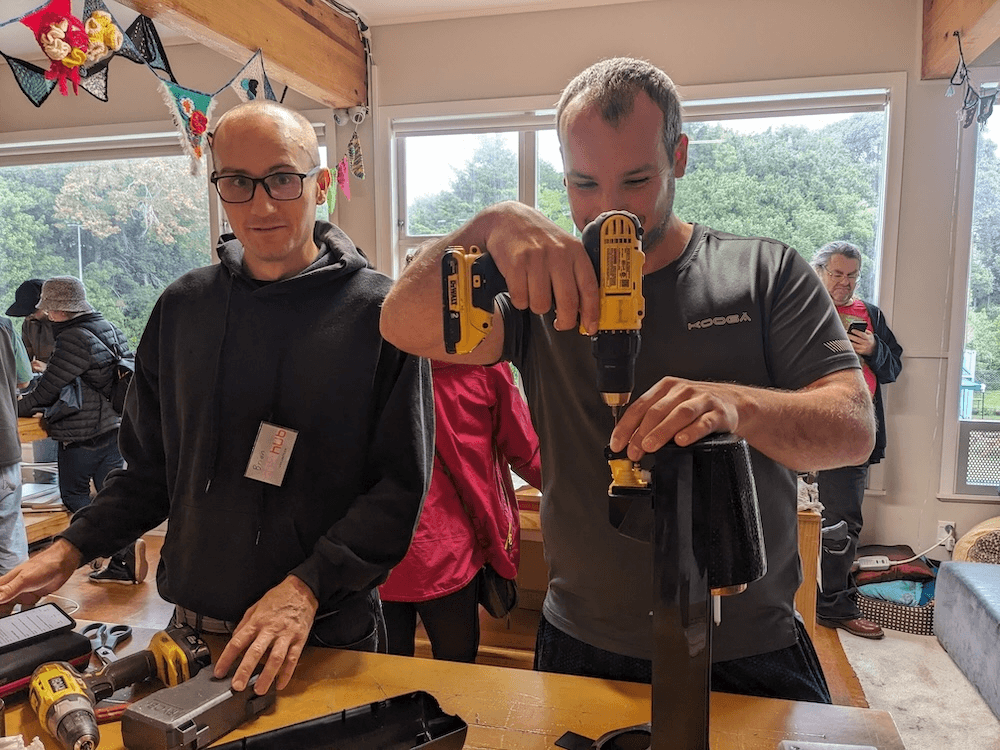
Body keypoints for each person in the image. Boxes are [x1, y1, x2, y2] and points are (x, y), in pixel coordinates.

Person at [380, 57, 876, 703]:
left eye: (637, 180)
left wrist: (732, 404)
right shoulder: (541, 290)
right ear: (564, 175)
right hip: (586, 643)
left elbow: (853, 429)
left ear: (680, 155)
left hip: (747, 643)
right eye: (585, 185)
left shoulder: (764, 273)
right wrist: (489, 225)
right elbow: (400, 324)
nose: (609, 209)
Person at [0, 99, 432, 697]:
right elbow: (150, 473)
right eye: (237, 182)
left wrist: (307, 586)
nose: (261, 205)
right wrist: (73, 548)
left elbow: (398, 491)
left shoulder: (381, 316)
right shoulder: (183, 309)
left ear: (322, 185)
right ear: (218, 187)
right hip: (192, 635)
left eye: (283, 178)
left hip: (321, 634)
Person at [380, 359, 541, 662]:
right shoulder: (486, 365)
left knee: (385, 680)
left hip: (380, 549)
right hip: (450, 554)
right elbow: (526, 454)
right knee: (457, 674)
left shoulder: (369, 360)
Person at [13, 276, 148, 585]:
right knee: (111, 497)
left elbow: (46, 392)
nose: (46, 315)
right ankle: (123, 561)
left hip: (81, 433)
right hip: (115, 426)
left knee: (74, 494)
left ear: (58, 310)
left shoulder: (73, 338)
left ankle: (108, 547)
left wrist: (13, 406)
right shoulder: (109, 327)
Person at [810, 241, 903, 640]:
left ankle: (835, 608)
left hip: (852, 435)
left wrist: (875, 349)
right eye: (836, 274)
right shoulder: (799, 306)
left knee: (842, 526)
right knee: (780, 518)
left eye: (851, 276)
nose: (844, 283)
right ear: (819, 272)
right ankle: (783, 604)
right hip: (800, 428)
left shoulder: (872, 315)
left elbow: (894, 367)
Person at [6, 278, 58, 483]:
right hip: (40, 392)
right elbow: (24, 360)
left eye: (32, 311)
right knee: (44, 463)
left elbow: (76, 362)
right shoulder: (29, 324)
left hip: (66, 394)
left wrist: (48, 368)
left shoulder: (66, 325)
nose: (28, 316)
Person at [1, 313, 31, 616]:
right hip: (6, 447)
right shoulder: (5, 326)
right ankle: (18, 624)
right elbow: (24, 379)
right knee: (9, 537)